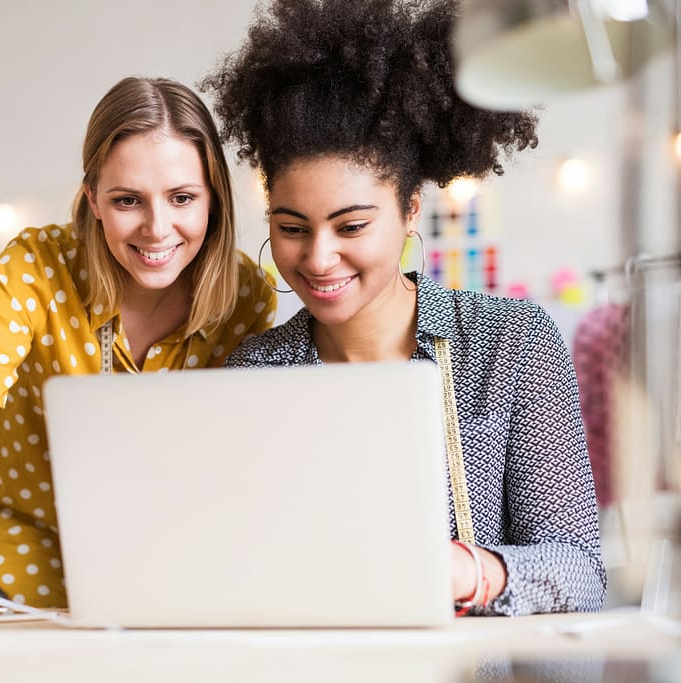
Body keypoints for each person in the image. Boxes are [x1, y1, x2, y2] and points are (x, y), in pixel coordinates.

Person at [202, 0, 605, 616]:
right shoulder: (255, 372)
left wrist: (474, 573)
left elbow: (579, 570)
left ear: (410, 209)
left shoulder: (508, 343)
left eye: (351, 225)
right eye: (291, 227)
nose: (318, 257)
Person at [0, 76, 278, 608]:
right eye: (128, 200)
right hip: (1, 575)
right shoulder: (35, 268)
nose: (157, 228)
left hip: (162, 586)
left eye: (181, 198)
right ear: (93, 199)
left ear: (213, 199)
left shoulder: (247, 298)